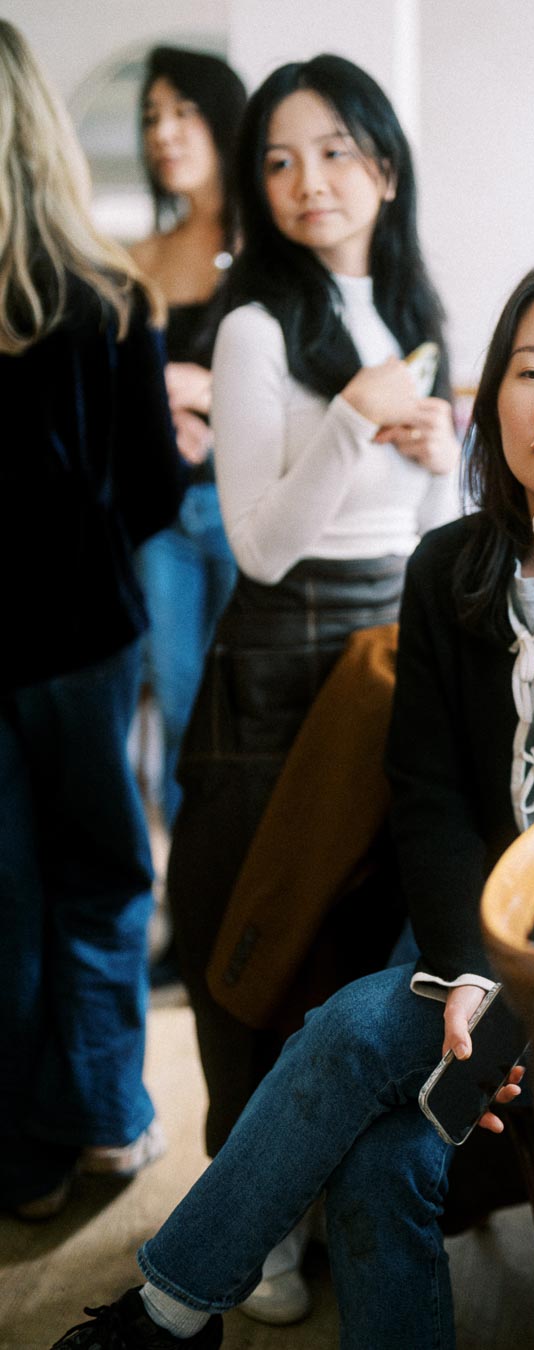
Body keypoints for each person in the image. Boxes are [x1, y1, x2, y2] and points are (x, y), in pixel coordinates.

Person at [50, 252, 534, 1350]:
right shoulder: (449, 569)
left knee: (349, 1027)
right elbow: (425, 797)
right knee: (383, 1163)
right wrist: (468, 965)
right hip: (475, 929)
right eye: (530, 372)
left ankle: (167, 1314)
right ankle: (176, 1314)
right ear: (491, 401)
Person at [163, 53, 459, 1322]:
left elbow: (420, 524)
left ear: (385, 167)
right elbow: (263, 545)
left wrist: (439, 447)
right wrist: (355, 414)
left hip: (391, 651)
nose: (307, 182)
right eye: (279, 160)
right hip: (279, 662)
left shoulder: (408, 304)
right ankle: (255, 1233)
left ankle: (320, 1190)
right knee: (259, 930)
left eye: (334, 151)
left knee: (357, 936)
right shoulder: (250, 322)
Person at [0, 21, 182, 1220]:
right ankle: (109, 1118)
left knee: (5, 892)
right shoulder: (110, 295)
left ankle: (18, 1154)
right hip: (81, 639)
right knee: (105, 873)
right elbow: (159, 490)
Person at [131, 47, 246, 831]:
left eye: (181, 112)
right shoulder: (139, 258)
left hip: (248, 511)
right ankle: (190, 897)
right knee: (176, 705)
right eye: (150, 117)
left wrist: (214, 390)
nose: (163, 133)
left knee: (250, 708)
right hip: (162, 516)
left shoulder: (270, 252)